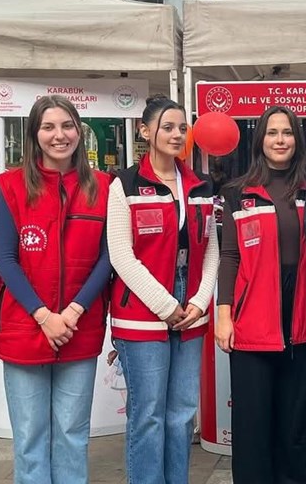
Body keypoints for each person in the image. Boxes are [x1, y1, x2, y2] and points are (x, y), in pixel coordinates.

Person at [0, 95, 113, 484]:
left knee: (72, 435)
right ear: (34, 134)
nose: (58, 135)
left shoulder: (105, 187)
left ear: (80, 132)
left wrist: (73, 312)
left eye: (67, 126)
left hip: (79, 328)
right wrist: (44, 316)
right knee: (29, 438)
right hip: (24, 326)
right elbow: (7, 261)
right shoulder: (10, 186)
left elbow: (107, 258)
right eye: (48, 127)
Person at [107, 96, 219, 484]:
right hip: (141, 310)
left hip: (191, 308)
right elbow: (121, 255)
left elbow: (211, 251)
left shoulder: (200, 185)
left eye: (182, 128)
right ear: (144, 131)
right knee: (149, 415)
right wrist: (166, 305)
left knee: (182, 414)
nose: (176, 135)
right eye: (167, 127)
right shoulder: (124, 184)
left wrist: (200, 302)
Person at [215, 106, 306, 484]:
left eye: (287, 133)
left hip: (301, 315)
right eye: (272, 133)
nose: (280, 140)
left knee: (293, 423)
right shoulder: (237, 192)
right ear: (260, 140)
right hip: (252, 319)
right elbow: (229, 256)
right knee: (253, 424)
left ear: (297, 139)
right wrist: (224, 314)